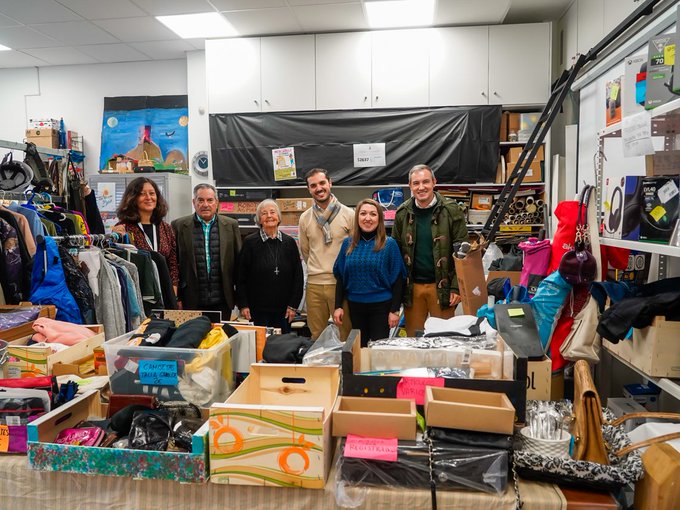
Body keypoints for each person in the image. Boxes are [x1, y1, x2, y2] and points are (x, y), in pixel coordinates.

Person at [392, 164, 469, 336]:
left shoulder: (451, 210)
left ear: (434, 182)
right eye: (416, 183)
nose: (421, 187)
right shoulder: (402, 213)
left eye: (426, 181)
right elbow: (395, 253)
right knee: (414, 339)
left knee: (444, 338)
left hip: (442, 287)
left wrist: (457, 288)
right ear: (410, 186)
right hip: (412, 289)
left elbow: (463, 252)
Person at [333, 199, 405, 347]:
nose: (368, 218)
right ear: (357, 217)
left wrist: (394, 311)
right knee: (360, 350)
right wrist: (338, 306)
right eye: (363, 213)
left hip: (381, 307)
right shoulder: (348, 244)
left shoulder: (389, 244)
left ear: (379, 219)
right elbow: (340, 276)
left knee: (379, 350)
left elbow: (399, 279)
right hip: (355, 306)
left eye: (373, 214)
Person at [299, 168, 354, 340]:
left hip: (341, 284)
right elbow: (306, 251)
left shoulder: (349, 214)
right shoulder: (305, 218)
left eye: (322, 183)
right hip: (314, 285)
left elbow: (353, 251)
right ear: (309, 189)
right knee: (317, 336)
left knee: (346, 334)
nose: (319, 188)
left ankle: (346, 368)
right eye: (313, 185)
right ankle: (322, 367)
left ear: (330, 183)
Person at [172, 183, 241, 319]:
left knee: (221, 338)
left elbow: (239, 264)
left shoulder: (231, 225)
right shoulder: (179, 226)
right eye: (200, 200)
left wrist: (240, 299)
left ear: (217, 202)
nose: (205, 204)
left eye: (210, 200)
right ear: (194, 202)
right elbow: (174, 265)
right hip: (190, 301)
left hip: (222, 300)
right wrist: (177, 297)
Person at [236, 199, 304, 333]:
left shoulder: (289, 243)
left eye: (272, 212)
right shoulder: (250, 243)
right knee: (261, 347)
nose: (269, 216)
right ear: (259, 219)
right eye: (264, 213)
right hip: (257, 310)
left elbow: (298, 276)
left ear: (279, 217)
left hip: (285, 310)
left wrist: (293, 306)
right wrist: (243, 305)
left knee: (282, 347)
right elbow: (240, 277)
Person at [112, 177, 179, 305]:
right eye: (142, 194)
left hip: (165, 293)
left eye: (152, 193)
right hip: (140, 293)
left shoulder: (165, 228)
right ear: (132, 198)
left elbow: (173, 263)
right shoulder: (123, 229)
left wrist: (173, 293)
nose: (148, 197)